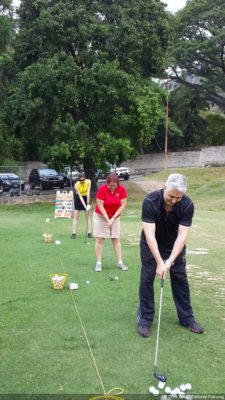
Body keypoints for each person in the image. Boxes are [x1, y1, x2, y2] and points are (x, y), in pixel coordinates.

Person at [137, 173, 204, 337]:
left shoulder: (187, 205)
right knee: (147, 278)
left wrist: (170, 261)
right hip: (150, 244)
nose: (174, 200)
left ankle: (186, 318)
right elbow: (149, 235)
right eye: (171, 196)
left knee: (180, 278)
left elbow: (182, 236)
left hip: (174, 245)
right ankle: (145, 319)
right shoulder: (150, 201)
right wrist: (160, 262)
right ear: (164, 187)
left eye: (178, 198)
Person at [93, 172, 128, 272]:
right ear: (106, 183)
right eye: (110, 185)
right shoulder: (102, 189)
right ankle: (99, 262)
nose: (112, 188)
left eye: (114, 185)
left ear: (118, 184)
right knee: (99, 239)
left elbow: (123, 205)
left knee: (116, 239)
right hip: (100, 217)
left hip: (115, 217)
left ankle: (120, 262)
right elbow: (100, 206)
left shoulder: (122, 190)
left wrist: (113, 218)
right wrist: (107, 219)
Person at [71, 172, 92, 239]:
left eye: (83, 180)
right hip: (78, 199)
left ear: (85, 179)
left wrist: (88, 203)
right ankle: (73, 233)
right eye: (81, 180)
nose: (82, 181)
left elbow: (88, 192)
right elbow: (80, 196)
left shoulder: (89, 182)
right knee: (76, 216)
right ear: (79, 180)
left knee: (87, 216)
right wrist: (85, 207)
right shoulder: (76, 185)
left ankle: (89, 233)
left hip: (86, 198)